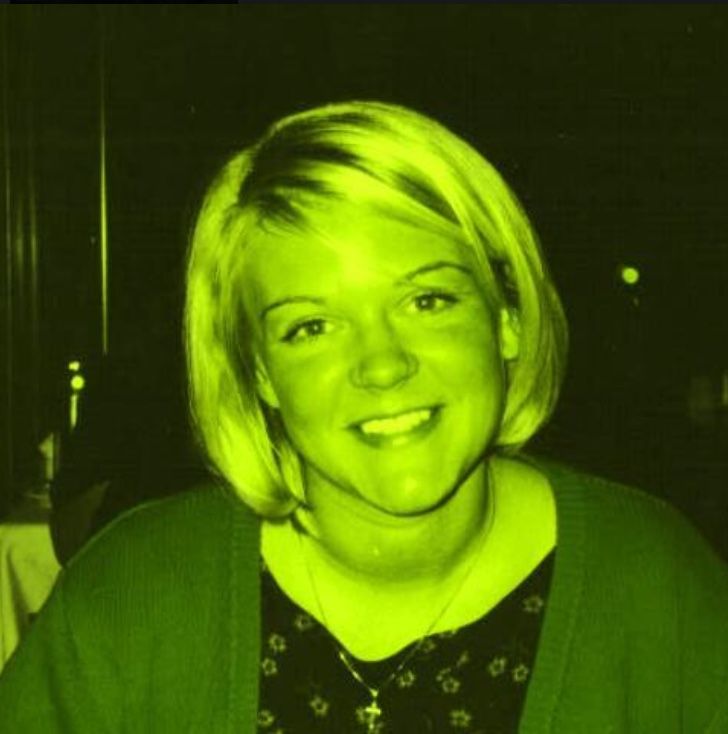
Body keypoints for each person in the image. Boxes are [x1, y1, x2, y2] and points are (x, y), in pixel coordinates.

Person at [0, 100, 727, 733]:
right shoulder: (132, 597)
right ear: (261, 373)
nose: (382, 366)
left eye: (427, 300)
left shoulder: (655, 588)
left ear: (506, 317)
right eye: (311, 327)